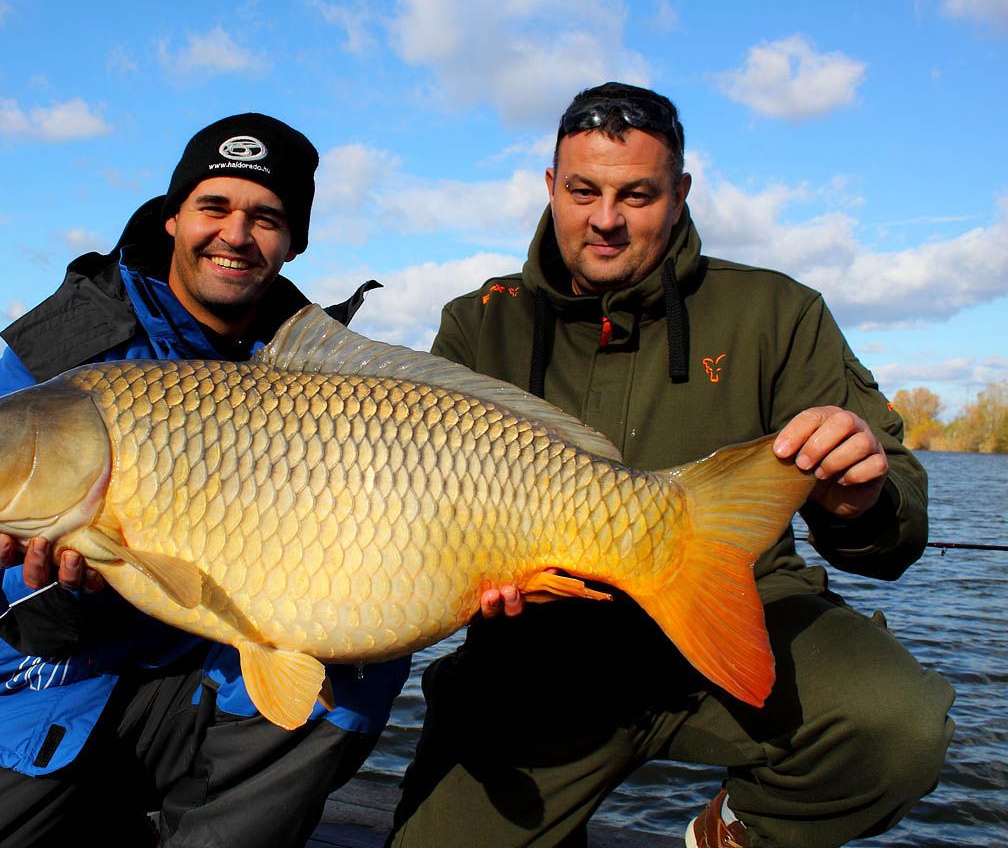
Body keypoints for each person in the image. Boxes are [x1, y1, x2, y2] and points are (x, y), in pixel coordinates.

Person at [389, 83, 955, 848]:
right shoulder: (477, 322)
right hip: (539, 659)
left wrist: (858, 502)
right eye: (583, 190)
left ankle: (731, 831)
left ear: (680, 192)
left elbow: (898, 527)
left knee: (896, 723)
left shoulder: (778, 312)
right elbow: (416, 514)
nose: (606, 219)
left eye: (638, 194)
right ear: (551, 186)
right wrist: (454, 577)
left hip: (735, 622)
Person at [0, 113, 408, 847]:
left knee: (363, 657)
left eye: (266, 217)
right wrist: (57, 589)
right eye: (214, 207)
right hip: (43, 689)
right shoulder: (63, 353)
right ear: (173, 217)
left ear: (293, 242)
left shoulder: (317, 369)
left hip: (211, 692)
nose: (236, 234)